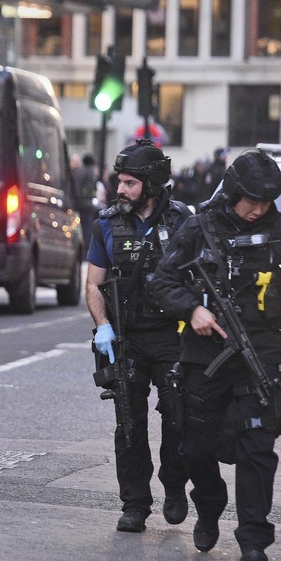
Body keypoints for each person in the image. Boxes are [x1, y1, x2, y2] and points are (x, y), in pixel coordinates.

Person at [150, 149, 281, 561]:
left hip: (259, 357)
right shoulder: (198, 229)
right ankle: (209, 504)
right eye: (251, 201)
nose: (257, 210)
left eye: (265, 202)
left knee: (258, 448)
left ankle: (254, 538)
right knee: (194, 446)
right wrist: (191, 309)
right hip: (204, 357)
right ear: (234, 191)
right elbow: (163, 280)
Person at [86, 139, 193, 533]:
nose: (121, 189)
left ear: (150, 184)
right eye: (120, 181)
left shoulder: (183, 222)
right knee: (128, 423)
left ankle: (175, 486)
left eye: (130, 182)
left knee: (179, 418)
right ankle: (134, 504)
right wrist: (103, 327)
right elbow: (94, 284)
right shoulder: (105, 223)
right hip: (126, 337)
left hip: (173, 336)